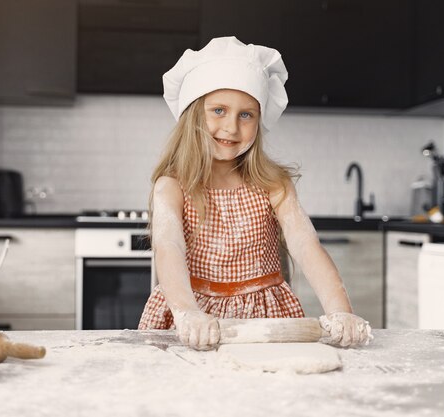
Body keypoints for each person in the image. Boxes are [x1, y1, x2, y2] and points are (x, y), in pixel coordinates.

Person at [138, 36, 371, 350]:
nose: (231, 127)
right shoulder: (173, 186)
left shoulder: (274, 184)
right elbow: (169, 247)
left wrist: (340, 310)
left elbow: (306, 246)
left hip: (266, 318)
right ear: (193, 115)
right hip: (193, 319)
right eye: (218, 110)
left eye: (246, 114)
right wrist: (186, 312)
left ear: (260, 121)